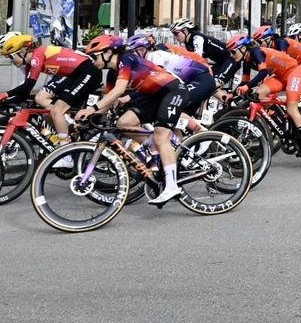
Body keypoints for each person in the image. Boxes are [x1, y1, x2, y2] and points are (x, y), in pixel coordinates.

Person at [76, 34, 215, 204]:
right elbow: (111, 99)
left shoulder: (125, 59)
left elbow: (119, 90)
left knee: (160, 135)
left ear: (108, 53)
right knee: (123, 123)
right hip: (153, 95)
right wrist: (93, 113)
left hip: (172, 91)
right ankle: (155, 151)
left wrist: (93, 108)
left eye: (94, 56)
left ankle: (172, 186)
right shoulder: (114, 71)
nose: (92, 60)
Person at [0, 33, 103, 145]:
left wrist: (2, 96)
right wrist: (4, 102)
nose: (11, 61)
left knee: (50, 106)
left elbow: (28, 85)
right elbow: (25, 93)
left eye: (11, 57)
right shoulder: (29, 64)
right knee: (47, 114)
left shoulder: (37, 56)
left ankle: (66, 145)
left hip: (88, 71)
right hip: (74, 75)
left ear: (22, 52)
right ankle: (67, 132)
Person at [228, 35, 301, 154]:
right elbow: (244, 82)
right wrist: (232, 94)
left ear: (243, 48)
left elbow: (263, 72)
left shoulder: (257, 52)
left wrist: (247, 87)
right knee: (259, 94)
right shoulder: (246, 62)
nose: (231, 55)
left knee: (292, 108)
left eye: (233, 51)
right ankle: (278, 116)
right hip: (280, 76)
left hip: (293, 72)